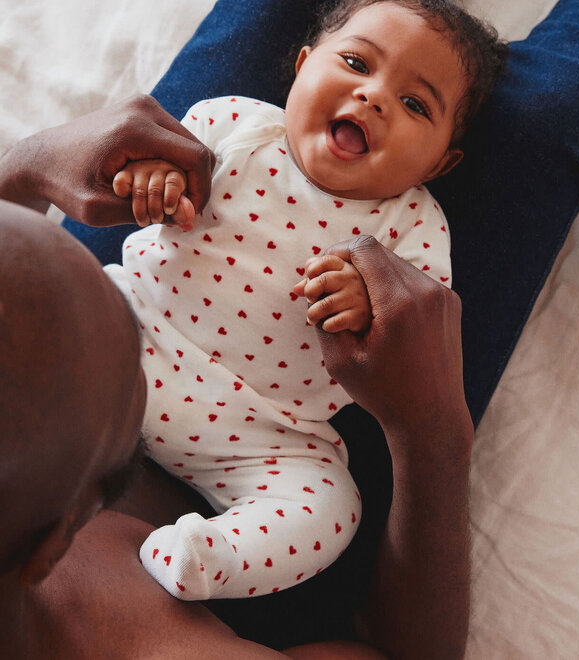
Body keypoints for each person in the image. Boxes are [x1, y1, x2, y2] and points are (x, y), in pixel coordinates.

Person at [0, 96, 471, 658]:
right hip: (268, 441)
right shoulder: (152, 638)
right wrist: (434, 431)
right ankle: (216, 554)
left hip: (174, 292)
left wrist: (26, 166)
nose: (373, 97)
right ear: (56, 541)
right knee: (329, 504)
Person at [103, 0, 505, 601]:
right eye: (354, 62)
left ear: (440, 162)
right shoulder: (231, 123)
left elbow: (412, 328)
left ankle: (211, 556)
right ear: (301, 64)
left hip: (262, 430)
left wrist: (367, 303)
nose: (373, 97)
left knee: (332, 508)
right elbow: (156, 169)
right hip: (131, 334)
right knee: (59, 296)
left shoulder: (416, 228)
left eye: (416, 104)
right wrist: (152, 181)